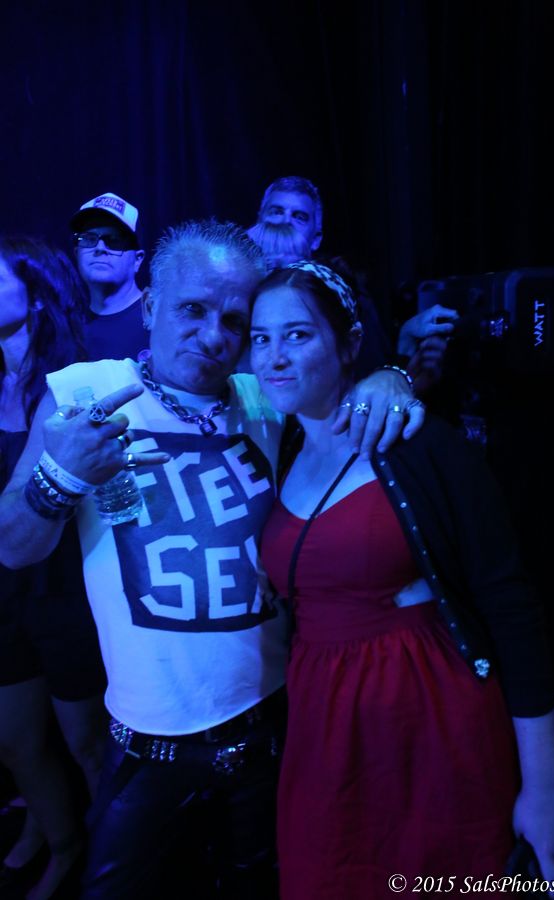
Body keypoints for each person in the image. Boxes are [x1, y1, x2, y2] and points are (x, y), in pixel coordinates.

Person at [0, 221, 420, 899]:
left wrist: (391, 376)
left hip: (272, 724)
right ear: (150, 308)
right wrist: (60, 476)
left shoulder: (265, 395)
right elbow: (11, 546)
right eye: (193, 310)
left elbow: (350, 385)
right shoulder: (86, 390)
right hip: (149, 741)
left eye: (234, 320)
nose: (213, 335)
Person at [249, 261, 554, 900]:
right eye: (261, 338)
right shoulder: (279, 443)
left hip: (426, 714)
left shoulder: (418, 442)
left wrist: (546, 787)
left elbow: (511, 606)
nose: (274, 357)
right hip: (324, 730)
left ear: (348, 342)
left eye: (298, 334)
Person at [0, 236, 108, 900]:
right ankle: (57, 837)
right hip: (4, 593)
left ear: (35, 297)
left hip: (63, 590)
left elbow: (21, 505)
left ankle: (108, 863)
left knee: (87, 746)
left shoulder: (69, 381)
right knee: (14, 742)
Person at [256, 175, 458, 388]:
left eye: (299, 217)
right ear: (259, 221)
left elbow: (371, 378)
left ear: (316, 238)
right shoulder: (242, 290)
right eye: (276, 212)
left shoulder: (344, 297)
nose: (285, 222)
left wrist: (405, 350)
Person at [70, 191, 148, 361]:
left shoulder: (159, 320)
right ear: (77, 254)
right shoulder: (66, 327)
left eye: (114, 240)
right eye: (89, 239)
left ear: (137, 260)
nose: (100, 248)